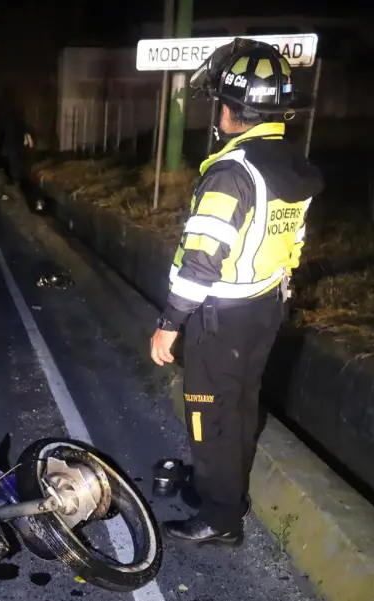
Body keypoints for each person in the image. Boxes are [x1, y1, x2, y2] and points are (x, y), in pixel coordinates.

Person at [149, 39, 323, 546]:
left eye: (220, 102)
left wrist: (168, 324)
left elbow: (201, 258)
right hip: (264, 307)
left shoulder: (233, 173)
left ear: (233, 109)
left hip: (220, 316)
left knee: (207, 413)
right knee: (242, 406)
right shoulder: (287, 164)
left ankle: (220, 517)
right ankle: (225, 491)